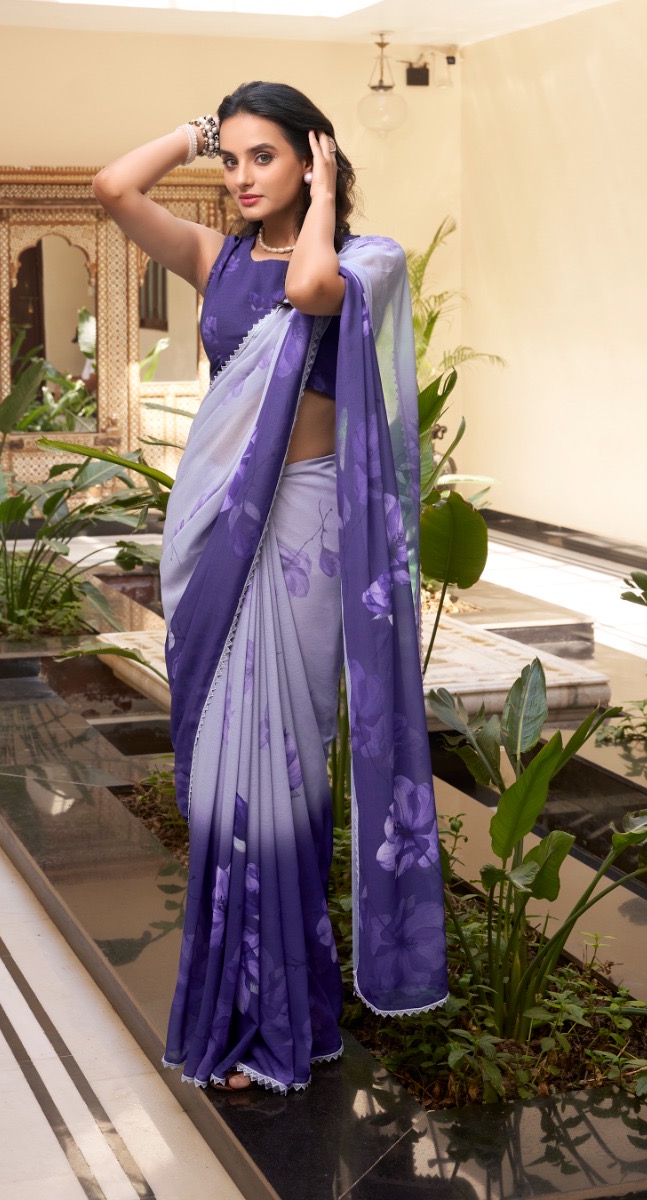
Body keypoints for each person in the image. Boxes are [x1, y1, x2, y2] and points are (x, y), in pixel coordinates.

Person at [92, 81, 447, 1095]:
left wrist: (325, 198)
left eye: (265, 156)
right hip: (218, 529)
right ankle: (234, 1006)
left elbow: (312, 289)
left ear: (311, 158)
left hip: (303, 533)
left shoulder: (366, 262)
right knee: (218, 778)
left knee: (283, 771)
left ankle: (281, 1019)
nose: (242, 177)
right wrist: (191, 132)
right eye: (231, 159)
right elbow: (111, 188)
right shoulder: (216, 259)